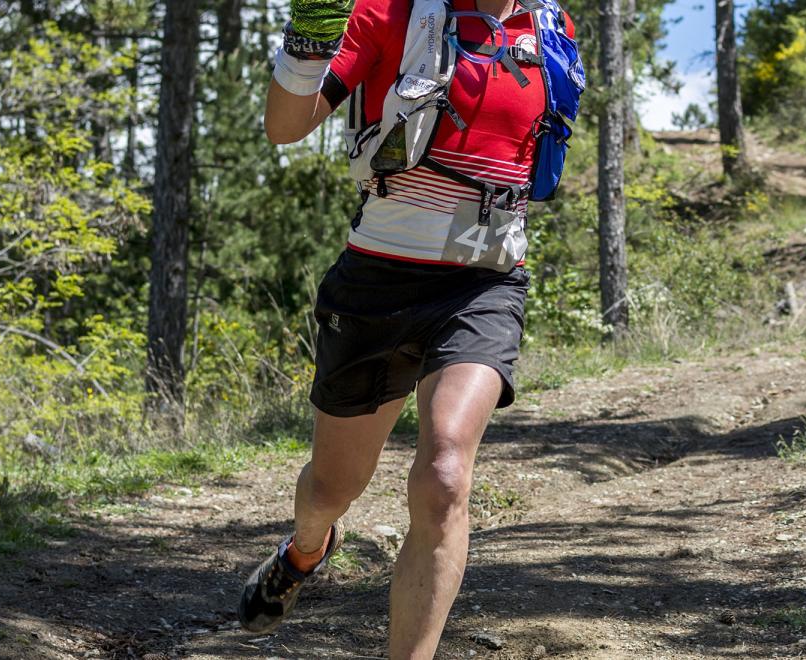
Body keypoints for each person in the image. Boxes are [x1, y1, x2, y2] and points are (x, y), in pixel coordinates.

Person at [236, 0, 580, 657]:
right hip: (377, 281)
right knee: (332, 488)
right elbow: (284, 128)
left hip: (485, 284)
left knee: (444, 475)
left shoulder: (550, 28)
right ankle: (306, 549)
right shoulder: (388, 12)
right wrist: (309, 41)